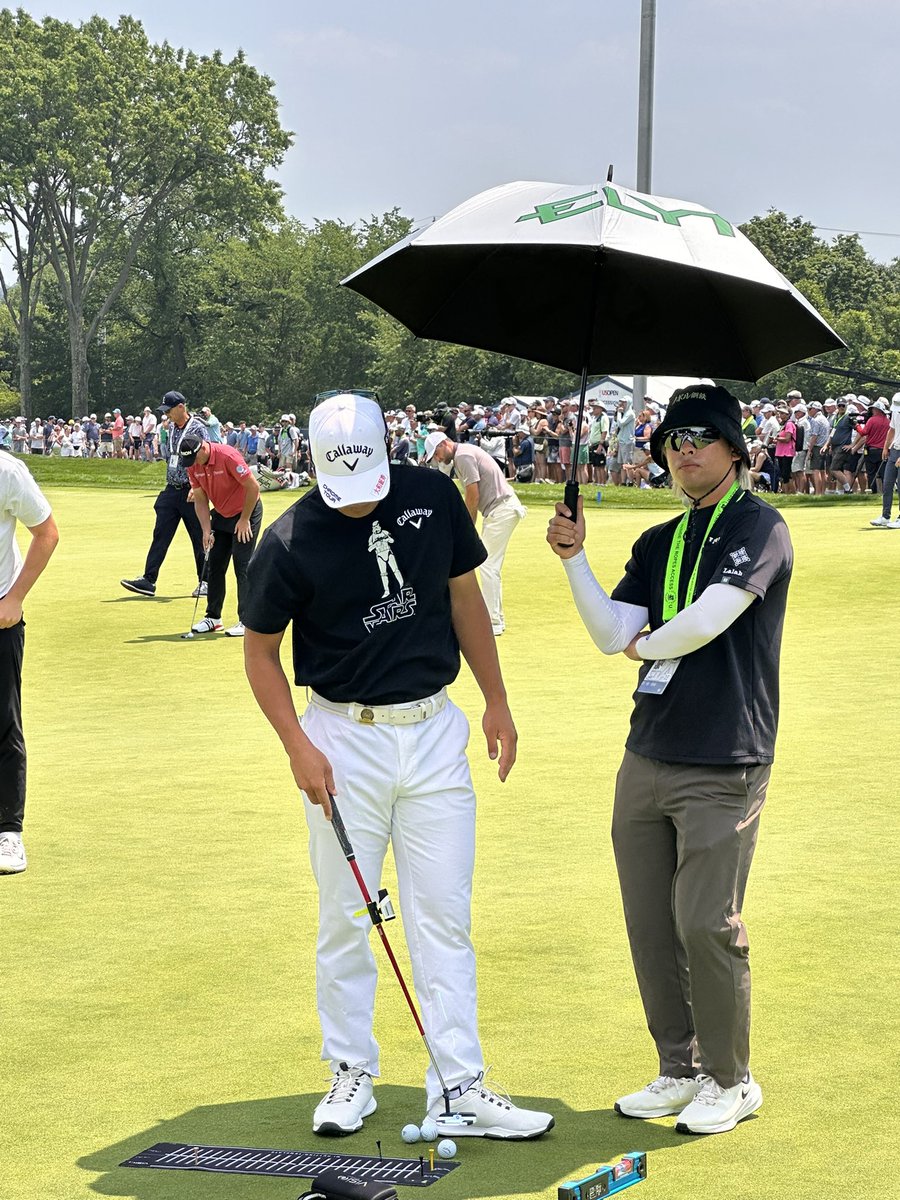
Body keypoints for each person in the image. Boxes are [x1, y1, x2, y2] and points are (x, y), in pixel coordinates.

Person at [242, 392, 552, 1141]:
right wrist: (297, 745)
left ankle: (459, 1084)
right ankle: (351, 1070)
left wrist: (497, 699)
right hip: (341, 739)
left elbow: (464, 597)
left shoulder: (433, 497)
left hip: (434, 731)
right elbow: (259, 651)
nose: (357, 501)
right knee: (345, 915)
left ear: (390, 453)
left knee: (443, 914)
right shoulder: (288, 539)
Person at [547, 384, 793, 1137]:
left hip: (725, 756)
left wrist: (645, 645)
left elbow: (711, 617)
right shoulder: (659, 540)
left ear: (733, 448)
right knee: (651, 921)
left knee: (705, 922)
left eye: (699, 437)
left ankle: (731, 1079)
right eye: (672, 440)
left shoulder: (760, 525)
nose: (684, 451)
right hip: (648, 749)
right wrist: (574, 561)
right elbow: (609, 630)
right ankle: (679, 1069)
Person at [0, 452, 59, 874]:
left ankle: (8, 831)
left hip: (0, 615)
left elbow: (46, 532)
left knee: (3, 723)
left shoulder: (6, 471)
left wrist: (15, 598)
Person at [422, 431, 526, 636]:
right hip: (499, 510)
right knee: (490, 565)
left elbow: (473, 495)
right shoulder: (463, 454)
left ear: (444, 444)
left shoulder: (463, 456)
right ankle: (496, 619)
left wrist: (466, 530)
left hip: (502, 509)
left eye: (436, 453)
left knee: (488, 564)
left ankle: (493, 622)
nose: (438, 459)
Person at [120, 391, 207, 598]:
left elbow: (205, 459)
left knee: (199, 537)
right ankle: (149, 580)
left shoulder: (198, 428)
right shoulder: (171, 427)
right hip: (171, 489)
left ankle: (206, 581)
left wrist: (199, 487)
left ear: (181, 407)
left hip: (192, 491)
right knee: (160, 534)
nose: (166, 415)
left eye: (169, 410)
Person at [176, 433, 263, 638]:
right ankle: (213, 618)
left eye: (194, 458)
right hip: (222, 514)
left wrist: (244, 519)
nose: (193, 463)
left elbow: (253, 487)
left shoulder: (228, 456)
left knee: (242, 565)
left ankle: (247, 621)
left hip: (246, 511)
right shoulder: (192, 464)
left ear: (203, 448)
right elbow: (200, 499)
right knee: (214, 564)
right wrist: (206, 530)